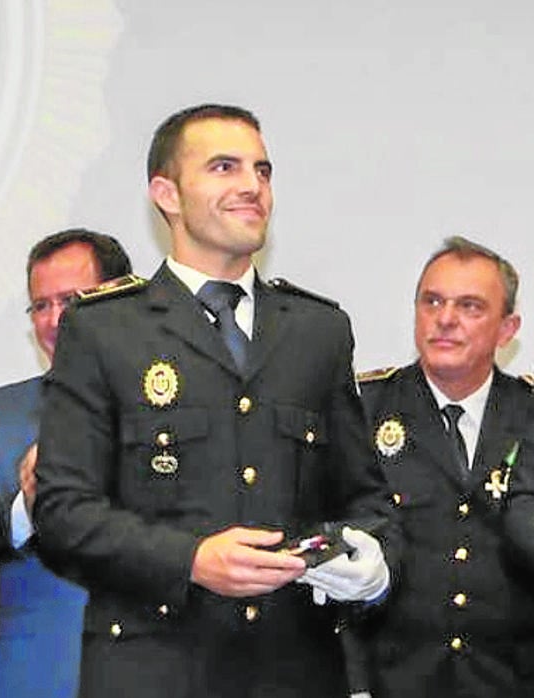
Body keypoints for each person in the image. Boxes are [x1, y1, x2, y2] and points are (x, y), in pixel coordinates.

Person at [33, 104, 399, 698]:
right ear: (167, 194)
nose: (251, 186)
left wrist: (372, 560)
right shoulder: (104, 329)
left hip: (294, 671)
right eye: (224, 168)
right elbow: (64, 511)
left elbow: (366, 497)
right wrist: (191, 559)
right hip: (154, 669)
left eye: (263, 170)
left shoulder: (318, 329)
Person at [355, 236, 534, 696]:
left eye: (471, 306)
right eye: (432, 301)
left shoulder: (529, 413)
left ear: (506, 329)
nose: (446, 319)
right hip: (393, 682)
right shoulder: (365, 408)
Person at [0, 228, 131, 698]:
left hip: (158, 663)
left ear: (119, 301)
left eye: (71, 300)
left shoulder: (177, 407)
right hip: (40, 669)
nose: (54, 319)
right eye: (40, 305)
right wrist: (27, 508)